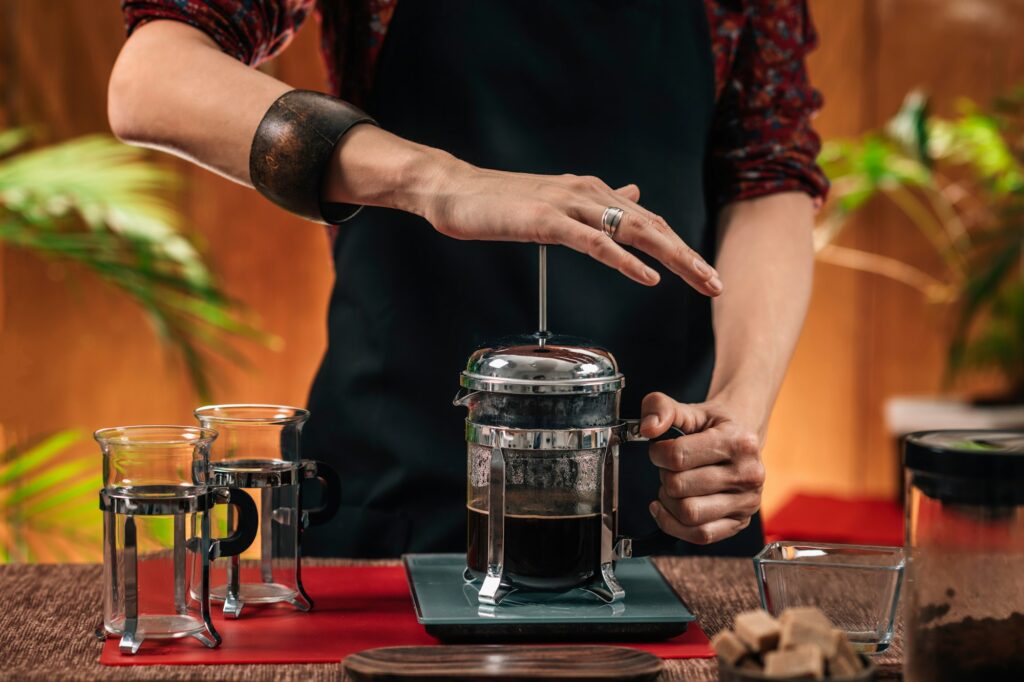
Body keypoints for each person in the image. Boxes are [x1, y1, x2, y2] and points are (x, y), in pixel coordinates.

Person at [109, 0, 827, 558]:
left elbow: (766, 174)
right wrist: (439, 180)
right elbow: (152, 78)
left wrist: (740, 408)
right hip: (395, 504)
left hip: (665, 503)